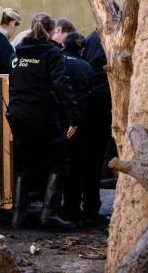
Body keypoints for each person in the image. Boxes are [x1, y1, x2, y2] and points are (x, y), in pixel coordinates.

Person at [7, 13, 79, 230]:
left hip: (17, 114)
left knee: (23, 163)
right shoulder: (51, 54)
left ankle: (18, 216)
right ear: (51, 32)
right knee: (60, 160)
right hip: (41, 114)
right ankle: (50, 214)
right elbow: (61, 85)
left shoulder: (17, 54)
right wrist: (74, 115)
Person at [58, 32, 94, 224]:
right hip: (77, 123)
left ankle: (54, 209)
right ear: (82, 49)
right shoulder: (85, 67)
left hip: (55, 120)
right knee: (77, 166)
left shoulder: (55, 61)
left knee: (57, 164)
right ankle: (72, 209)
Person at [82, 28, 113, 227]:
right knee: (99, 154)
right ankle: (92, 208)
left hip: (88, 98)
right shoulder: (112, 36)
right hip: (105, 99)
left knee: (87, 156)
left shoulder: (91, 38)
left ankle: (87, 206)